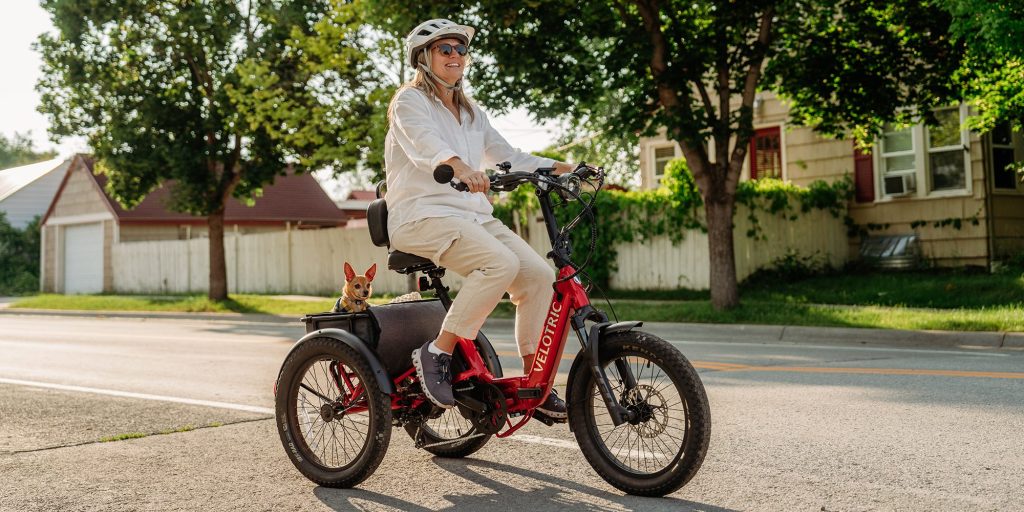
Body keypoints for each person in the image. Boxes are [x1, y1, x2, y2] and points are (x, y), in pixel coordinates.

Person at [385, 18, 575, 422]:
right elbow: (426, 145)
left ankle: (534, 381)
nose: (455, 55)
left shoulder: (473, 114)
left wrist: (566, 168)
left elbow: (510, 157)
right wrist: (459, 167)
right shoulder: (409, 102)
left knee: (538, 276)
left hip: (472, 217)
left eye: (461, 49)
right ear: (423, 58)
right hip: (421, 215)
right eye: (445, 49)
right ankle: (437, 352)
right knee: (498, 264)